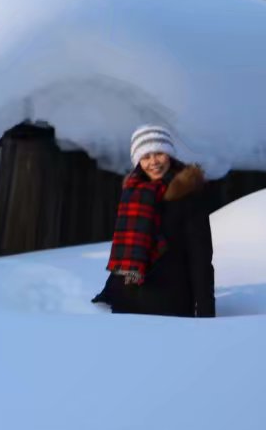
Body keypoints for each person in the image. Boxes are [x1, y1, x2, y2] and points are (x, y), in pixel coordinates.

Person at [91, 125, 217, 318]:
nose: (153, 162)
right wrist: (110, 291)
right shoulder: (134, 191)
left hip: (169, 301)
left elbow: (200, 256)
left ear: (169, 154)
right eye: (145, 157)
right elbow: (128, 249)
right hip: (128, 297)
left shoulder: (187, 192)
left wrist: (206, 310)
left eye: (159, 153)